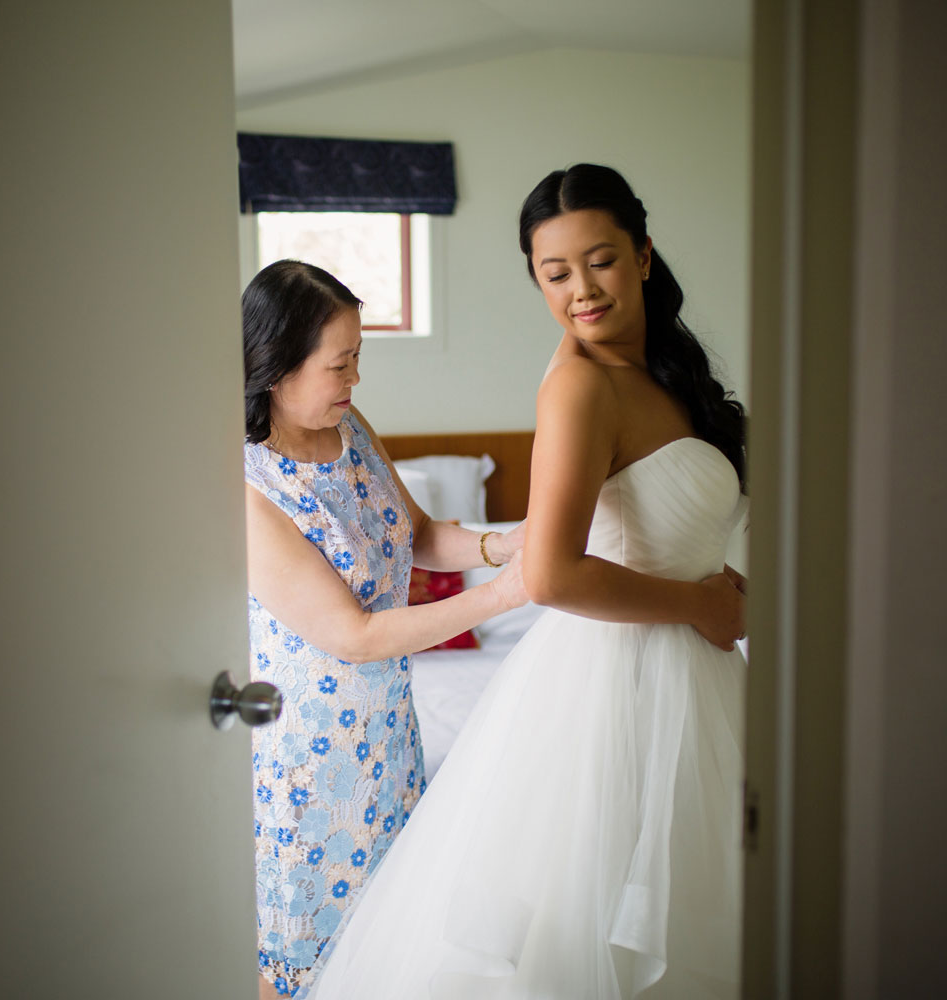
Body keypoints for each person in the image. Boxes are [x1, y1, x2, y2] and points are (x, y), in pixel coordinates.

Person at [300, 164, 750, 1000]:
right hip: (618, 677)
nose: (582, 288)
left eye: (602, 260)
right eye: (555, 273)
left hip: (699, 668)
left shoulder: (667, 372)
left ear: (645, 256)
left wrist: (714, 588)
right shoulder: (580, 385)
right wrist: (698, 603)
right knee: (590, 927)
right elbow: (550, 571)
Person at [242, 259, 531, 999]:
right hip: (307, 761)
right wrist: (507, 594)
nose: (355, 380)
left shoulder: (350, 429)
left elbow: (421, 536)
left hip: (387, 737)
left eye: (357, 358)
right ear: (275, 368)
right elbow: (356, 634)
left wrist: (509, 543)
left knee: (390, 937)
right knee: (315, 953)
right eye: (340, 364)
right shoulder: (247, 487)